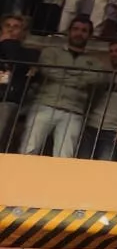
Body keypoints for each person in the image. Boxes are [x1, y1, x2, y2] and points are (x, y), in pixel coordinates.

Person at [20, 14, 100, 158]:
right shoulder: (51, 52)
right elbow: (48, 70)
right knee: (29, 149)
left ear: (89, 35)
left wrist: (63, 74)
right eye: (75, 29)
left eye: (84, 30)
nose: (79, 33)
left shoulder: (95, 62)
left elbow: (95, 78)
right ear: (69, 31)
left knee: (65, 156)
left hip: (74, 111)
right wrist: (78, 78)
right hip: (45, 105)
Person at [0, 12, 34, 152]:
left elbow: (15, 63)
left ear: (23, 32)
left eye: (16, 27)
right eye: (7, 26)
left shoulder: (30, 53)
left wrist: (8, 43)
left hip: (7, 99)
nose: (11, 29)